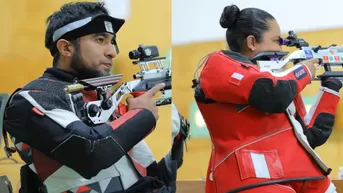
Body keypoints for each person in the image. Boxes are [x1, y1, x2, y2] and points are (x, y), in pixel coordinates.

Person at [2, 2, 187, 193]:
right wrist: (143, 115)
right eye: (100, 40)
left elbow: (155, 180)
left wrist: (177, 139)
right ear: (66, 48)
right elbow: (91, 153)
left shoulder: (101, 96)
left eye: (112, 41)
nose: (112, 52)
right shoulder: (30, 100)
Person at [192, 4, 342, 193]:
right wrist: (303, 70)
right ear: (252, 42)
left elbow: (310, 135)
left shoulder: (274, 79)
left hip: (289, 174)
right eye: (277, 40)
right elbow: (273, 94)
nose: (281, 47)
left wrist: (331, 88)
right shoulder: (218, 65)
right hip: (250, 178)